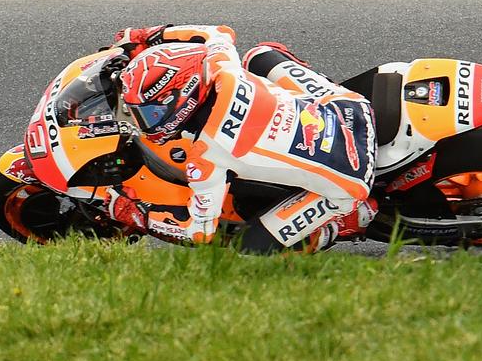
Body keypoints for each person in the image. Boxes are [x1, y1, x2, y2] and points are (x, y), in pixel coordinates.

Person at [104, 25, 378, 253]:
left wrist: (138, 215)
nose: (144, 123)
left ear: (182, 98)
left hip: (350, 178)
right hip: (349, 108)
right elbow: (219, 33)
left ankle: (339, 225)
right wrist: (150, 35)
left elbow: (199, 232)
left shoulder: (206, 156)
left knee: (248, 247)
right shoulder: (222, 66)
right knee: (261, 54)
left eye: (151, 112)